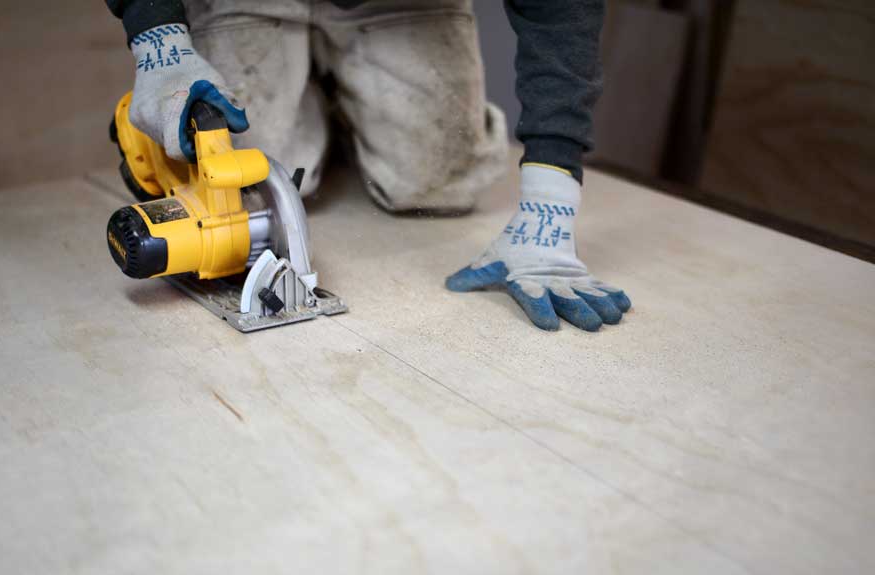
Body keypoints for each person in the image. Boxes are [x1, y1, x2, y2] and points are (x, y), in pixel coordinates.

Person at [105, 0, 631, 331]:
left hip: (402, 6)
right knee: (254, 184)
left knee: (440, 184)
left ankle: (333, 98)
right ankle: (310, 99)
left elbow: (562, 11)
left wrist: (551, 198)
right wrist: (158, 38)